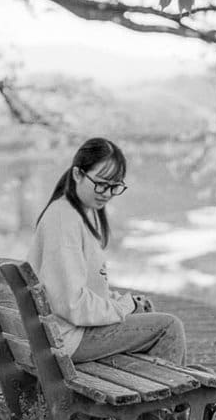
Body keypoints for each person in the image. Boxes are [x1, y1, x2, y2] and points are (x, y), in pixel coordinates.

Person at [29, 137, 186, 366]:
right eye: (101, 184)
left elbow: (80, 290)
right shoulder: (65, 220)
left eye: (114, 186)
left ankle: (159, 396)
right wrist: (124, 307)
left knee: (144, 313)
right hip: (66, 339)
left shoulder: (74, 213)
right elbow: (72, 305)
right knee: (168, 328)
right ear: (77, 175)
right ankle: (166, 400)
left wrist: (126, 304)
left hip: (62, 333)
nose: (107, 193)